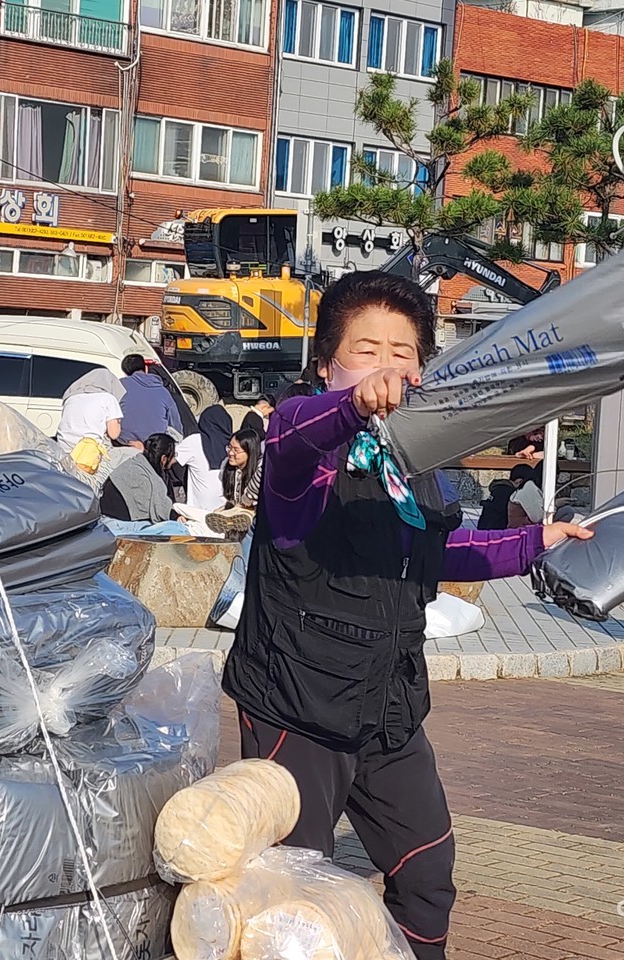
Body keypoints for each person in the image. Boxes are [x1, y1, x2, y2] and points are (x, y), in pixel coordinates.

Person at [220, 271, 592, 960]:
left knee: (427, 875)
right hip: (296, 706)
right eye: (365, 350)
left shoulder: (415, 461)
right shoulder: (305, 448)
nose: (387, 366)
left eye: (403, 352)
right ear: (327, 363)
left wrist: (533, 542)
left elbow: (438, 550)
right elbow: (291, 435)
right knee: (288, 902)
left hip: (389, 707)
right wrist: (352, 404)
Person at [99, 434, 190, 537]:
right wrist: (177, 517)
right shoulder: (153, 480)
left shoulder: (131, 463)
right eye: (173, 455)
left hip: (104, 520)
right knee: (179, 530)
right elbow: (161, 509)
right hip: (122, 526)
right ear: (164, 459)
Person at [174, 406, 232, 511]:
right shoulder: (233, 445)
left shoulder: (194, 441)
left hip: (198, 511)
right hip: (227, 509)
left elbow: (171, 458)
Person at [119, 354, 183, 445]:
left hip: (124, 443)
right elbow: (176, 427)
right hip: (154, 445)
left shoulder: (119, 386)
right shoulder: (163, 391)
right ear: (146, 368)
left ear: (125, 373)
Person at [56, 368, 123, 452]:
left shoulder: (71, 398)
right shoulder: (108, 398)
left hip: (64, 449)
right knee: (134, 454)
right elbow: (114, 434)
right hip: (90, 452)